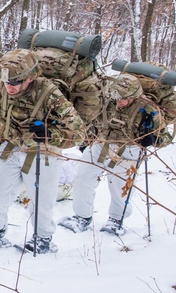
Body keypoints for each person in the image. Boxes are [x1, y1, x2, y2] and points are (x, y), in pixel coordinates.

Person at [0, 49, 85, 254]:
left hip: (43, 151)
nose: (10, 87)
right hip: (10, 146)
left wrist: (50, 134)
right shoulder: (0, 87)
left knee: (41, 199)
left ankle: (43, 238)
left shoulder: (49, 93)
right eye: (7, 82)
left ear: (29, 78)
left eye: (15, 83)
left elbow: (79, 133)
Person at [59, 74, 162, 236]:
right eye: (117, 97)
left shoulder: (149, 109)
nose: (119, 102)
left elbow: (165, 136)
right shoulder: (111, 100)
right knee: (83, 176)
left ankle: (116, 219)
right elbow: (96, 119)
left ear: (134, 96)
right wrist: (87, 139)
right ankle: (82, 216)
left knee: (119, 184)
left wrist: (154, 138)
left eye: (123, 99)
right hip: (103, 143)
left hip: (128, 149)